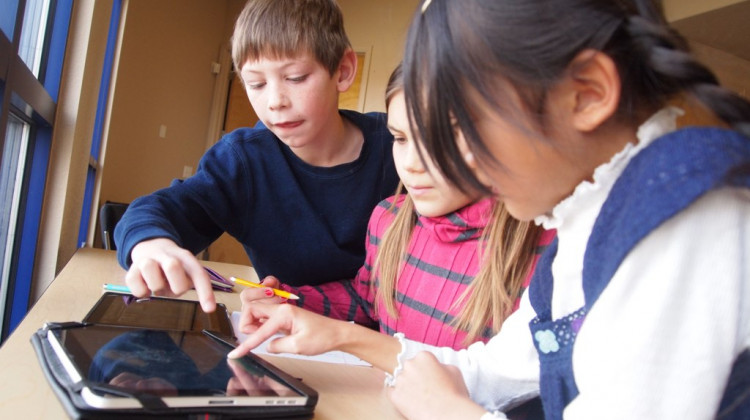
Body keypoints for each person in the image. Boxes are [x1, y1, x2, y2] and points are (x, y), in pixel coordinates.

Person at [385, 1, 750, 419]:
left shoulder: (684, 220)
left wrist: (448, 412)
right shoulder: (576, 232)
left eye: (465, 127)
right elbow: (490, 372)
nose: (455, 161)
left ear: (588, 94)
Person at [227, 65, 554, 386]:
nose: (411, 164)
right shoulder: (390, 219)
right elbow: (367, 299)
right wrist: (289, 301)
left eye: (438, 140)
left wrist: (346, 337)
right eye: (399, 138)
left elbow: (499, 381)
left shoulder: (545, 247)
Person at [114, 0, 399, 312]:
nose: (275, 101)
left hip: (395, 341)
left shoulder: (400, 145)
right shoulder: (243, 161)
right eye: (257, 84)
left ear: (342, 72)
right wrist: (150, 244)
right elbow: (164, 208)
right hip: (291, 338)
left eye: (296, 77)